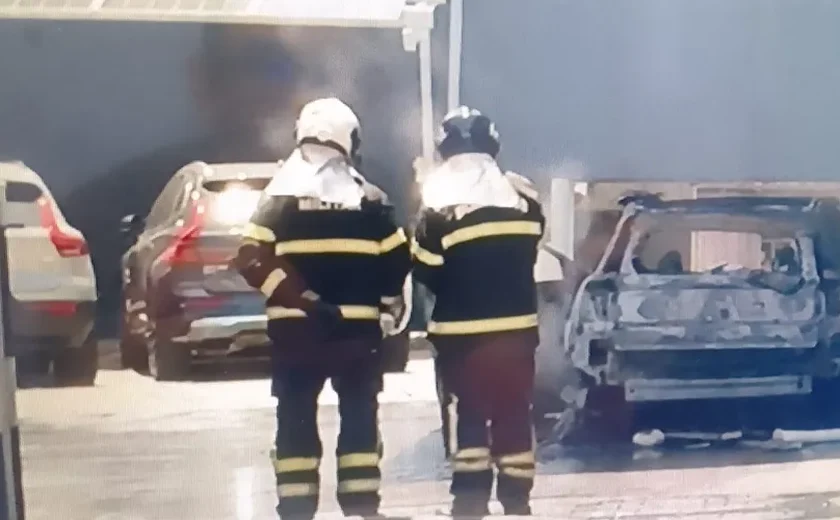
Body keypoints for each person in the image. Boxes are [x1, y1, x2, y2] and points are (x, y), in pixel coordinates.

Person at [232, 97, 411, 520]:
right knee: (359, 421)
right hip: (356, 338)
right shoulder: (371, 201)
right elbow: (397, 261)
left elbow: (250, 259)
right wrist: (386, 307)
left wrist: (300, 301)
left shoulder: (277, 201)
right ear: (349, 142)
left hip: (297, 337)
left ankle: (296, 509)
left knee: (294, 421)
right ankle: (362, 508)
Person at [412, 106, 545, 517]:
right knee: (514, 411)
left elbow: (426, 270)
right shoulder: (525, 201)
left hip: (461, 337)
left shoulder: (437, 208)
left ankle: (469, 502)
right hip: (518, 333)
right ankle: (517, 500)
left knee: (468, 413)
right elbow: (529, 251)